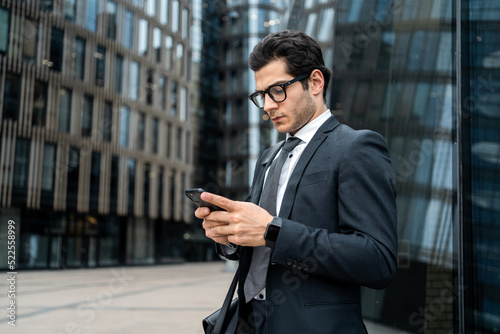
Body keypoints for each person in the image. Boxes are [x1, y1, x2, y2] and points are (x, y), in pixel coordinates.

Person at [195, 30, 398, 334]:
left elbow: (377, 260)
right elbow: (262, 244)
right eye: (261, 95)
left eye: (277, 90)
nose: (267, 105)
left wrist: (272, 231)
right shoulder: (269, 157)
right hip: (250, 323)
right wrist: (231, 237)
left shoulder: (356, 147)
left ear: (315, 82)